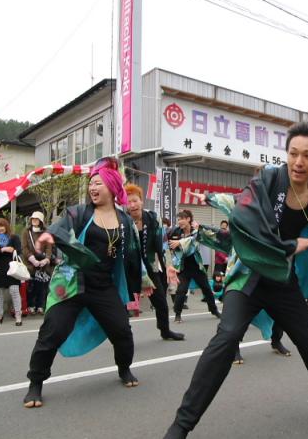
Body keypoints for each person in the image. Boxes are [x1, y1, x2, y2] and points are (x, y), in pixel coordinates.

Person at [157, 121, 308, 439]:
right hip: (247, 275)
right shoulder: (266, 182)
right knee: (226, 337)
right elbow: (246, 220)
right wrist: (290, 245)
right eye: (293, 153)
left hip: (283, 282)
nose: (298, 162)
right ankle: (181, 425)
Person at [22, 157, 149, 407]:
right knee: (52, 331)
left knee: (122, 331)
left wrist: (144, 280)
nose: (93, 187)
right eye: (91, 183)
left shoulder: (124, 221)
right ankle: (35, 382)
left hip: (103, 287)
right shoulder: (79, 212)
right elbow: (60, 227)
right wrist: (49, 234)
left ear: (112, 187)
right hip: (72, 283)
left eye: (98, 183)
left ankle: (124, 368)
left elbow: (133, 255)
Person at [124, 184, 185, 341]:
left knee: (161, 304)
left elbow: (163, 244)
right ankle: (123, 336)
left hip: (150, 267)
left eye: (135, 200)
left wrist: (169, 265)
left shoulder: (153, 218)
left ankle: (165, 331)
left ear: (141, 201)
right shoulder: (122, 220)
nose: (132, 205)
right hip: (128, 268)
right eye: (128, 201)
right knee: (122, 305)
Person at [168, 209, 221, 323]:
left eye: (182, 219)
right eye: (178, 219)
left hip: (197, 266)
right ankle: (177, 314)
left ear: (188, 219)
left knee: (206, 289)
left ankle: (214, 310)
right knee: (181, 290)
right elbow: (168, 246)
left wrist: (181, 242)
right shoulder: (175, 232)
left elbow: (195, 241)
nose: (180, 221)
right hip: (183, 267)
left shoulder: (196, 231)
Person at [0, 217, 23, 326]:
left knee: (14, 291)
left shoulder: (14, 237)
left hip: (12, 268)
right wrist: (4, 249)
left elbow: (19, 251)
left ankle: (18, 315)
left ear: (6, 226)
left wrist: (11, 249)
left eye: (1, 226)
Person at [22, 211, 55, 315]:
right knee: (31, 286)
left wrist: (47, 259)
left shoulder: (46, 233)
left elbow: (49, 247)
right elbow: (24, 247)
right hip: (30, 263)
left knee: (42, 285)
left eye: (36, 219)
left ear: (41, 221)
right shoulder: (26, 232)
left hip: (43, 264)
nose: (34, 220)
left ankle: (40, 306)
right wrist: (32, 259)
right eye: (33, 219)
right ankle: (31, 305)